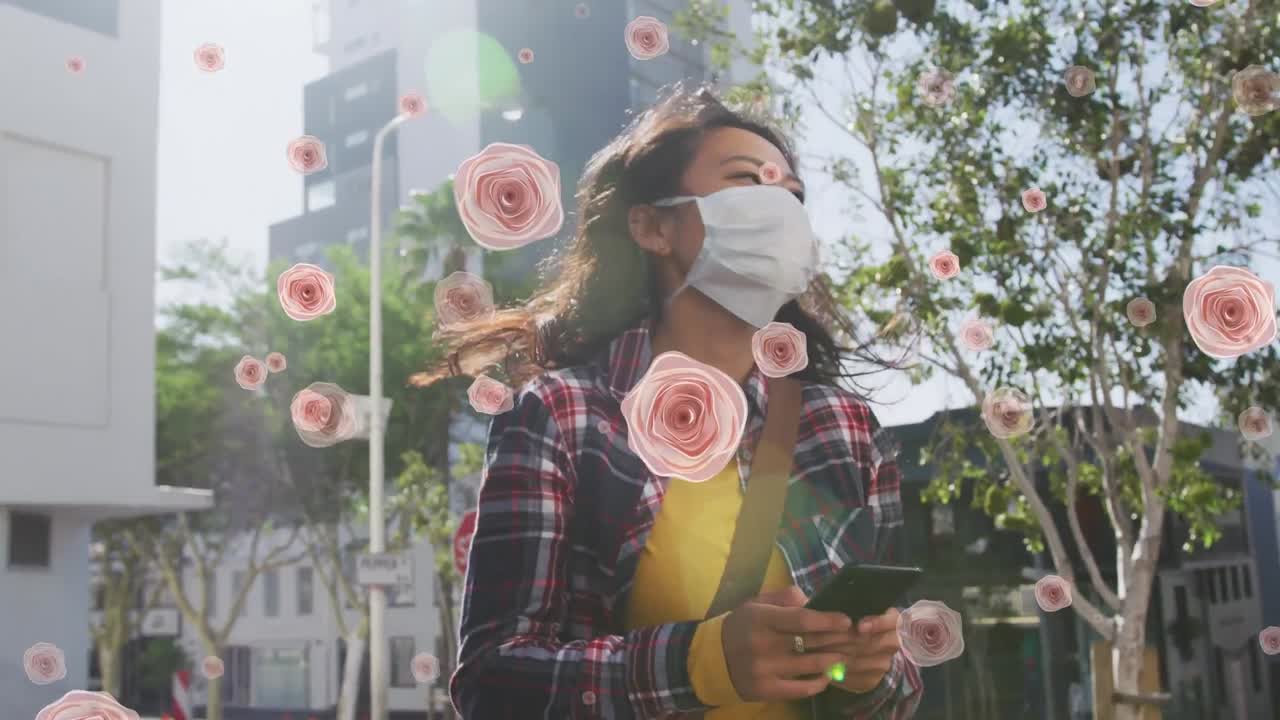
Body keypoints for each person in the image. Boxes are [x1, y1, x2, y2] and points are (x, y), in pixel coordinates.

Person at [412, 81, 923, 718]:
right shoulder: (562, 417)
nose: (782, 210)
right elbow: (493, 683)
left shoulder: (846, 429)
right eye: (748, 182)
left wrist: (865, 672)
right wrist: (703, 663)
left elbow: (895, 691)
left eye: (793, 196)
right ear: (653, 226)